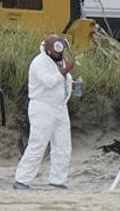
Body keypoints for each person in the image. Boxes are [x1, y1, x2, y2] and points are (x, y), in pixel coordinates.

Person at [14, 34, 77, 190]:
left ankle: (58, 180)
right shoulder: (38, 62)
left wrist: (75, 86)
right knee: (38, 144)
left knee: (63, 146)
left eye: (62, 52)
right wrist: (65, 70)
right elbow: (49, 82)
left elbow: (63, 81)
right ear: (48, 50)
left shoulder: (60, 61)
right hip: (42, 107)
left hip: (61, 107)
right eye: (57, 52)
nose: (60, 55)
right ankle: (22, 180)